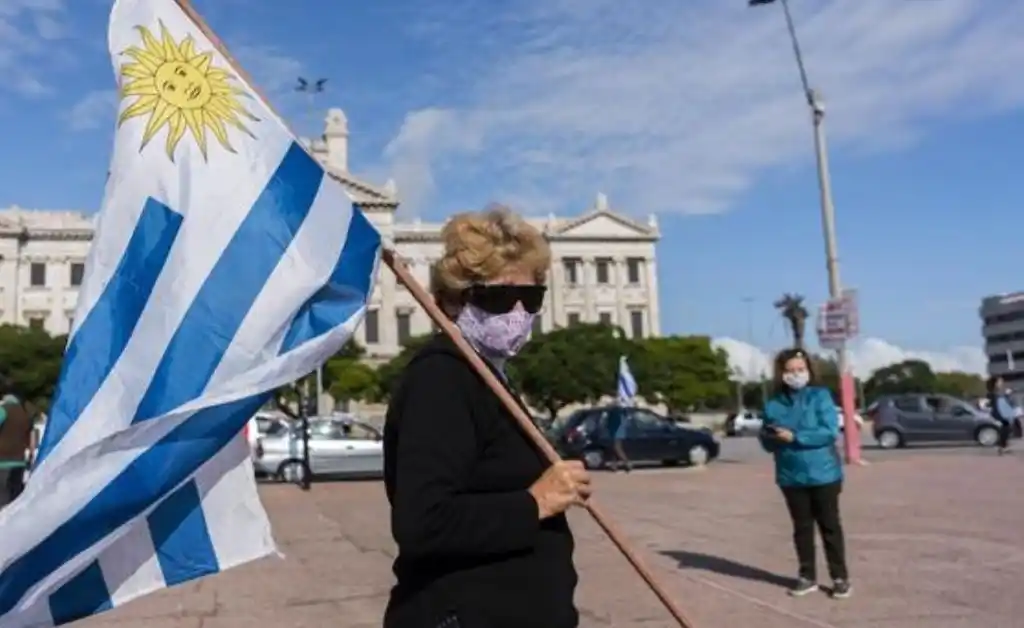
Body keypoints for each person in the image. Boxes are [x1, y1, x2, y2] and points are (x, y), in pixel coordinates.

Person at [383, 205, 590, 628]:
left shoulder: (489, 374)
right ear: (452, 302)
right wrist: (536, 502)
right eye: (499, 298)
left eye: (531, 297)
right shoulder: (442, 377)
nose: (517, 312)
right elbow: (423, 522)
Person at [759, 348, 851, 599]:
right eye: (790, 370)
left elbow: (829, 431)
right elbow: (766, 441)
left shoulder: (820, 396)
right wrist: (771, 437)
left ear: (809, 370)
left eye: (800, 369)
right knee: (802, 528)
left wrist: (796, 436)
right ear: (781, 373)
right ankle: (807, 576)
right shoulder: (773, 404)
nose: (796, 374)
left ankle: (840, 577)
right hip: (791, 475)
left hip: (824, 473)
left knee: (829, 526)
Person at [0, 375, 33, 508]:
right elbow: (31, 438)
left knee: (2, 501)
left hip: (2, 461)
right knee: (15, 503)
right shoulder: (25, 413)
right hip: (19, 461)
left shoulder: (3, 410)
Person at [987, 376, 1015, 455]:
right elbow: (994, 403)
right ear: (995, 383)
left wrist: (1007, 395)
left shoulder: (998, 392)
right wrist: (1006, 394)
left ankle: (1003, 446)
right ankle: (1001, 447)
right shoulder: (993, 393)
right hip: (998, 414)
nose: (1002, 383)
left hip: (1001, 413)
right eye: (1000, 382)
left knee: (1006, 430)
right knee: (1004, 430)